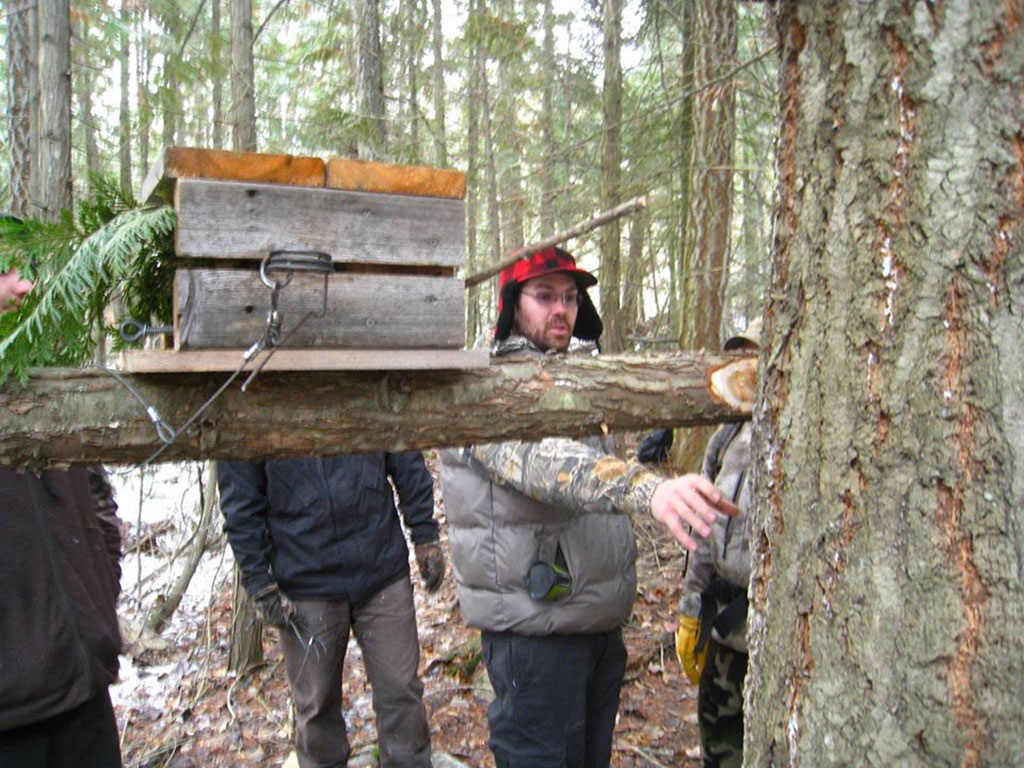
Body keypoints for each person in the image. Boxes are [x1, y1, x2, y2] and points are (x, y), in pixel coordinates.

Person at [439, 246, 739, 768]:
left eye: (572, 298)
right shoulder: (482, 387)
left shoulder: (576, 380)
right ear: (512, 305)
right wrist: (651, 490)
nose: (562, 310)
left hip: (594, 628)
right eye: (545, 296)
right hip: (535, 639)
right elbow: (545, 461)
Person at [218, 451, 445, 768]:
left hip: (381, 568)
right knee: (316, 709)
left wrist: (424, 533)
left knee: (401, 693)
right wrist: (258, 581)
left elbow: (402, 450)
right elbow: (240, 502)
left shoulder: (363, 397)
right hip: (305, 581)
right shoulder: (251, 406)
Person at [0, 252, 125, 767]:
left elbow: (96, 495)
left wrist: (99, 592)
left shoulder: (44, 383)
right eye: (3, 274)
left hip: (83, 690)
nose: (22, 286)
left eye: (19, 269)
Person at [673, 321, 760, 768]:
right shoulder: (725, 433)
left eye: (754, 358)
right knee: (719, 748)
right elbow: (702, 529)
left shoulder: (799, 437)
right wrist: (692, 612)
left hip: (770, 631)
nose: (744, 369)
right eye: (738, 357)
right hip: (724, 625)